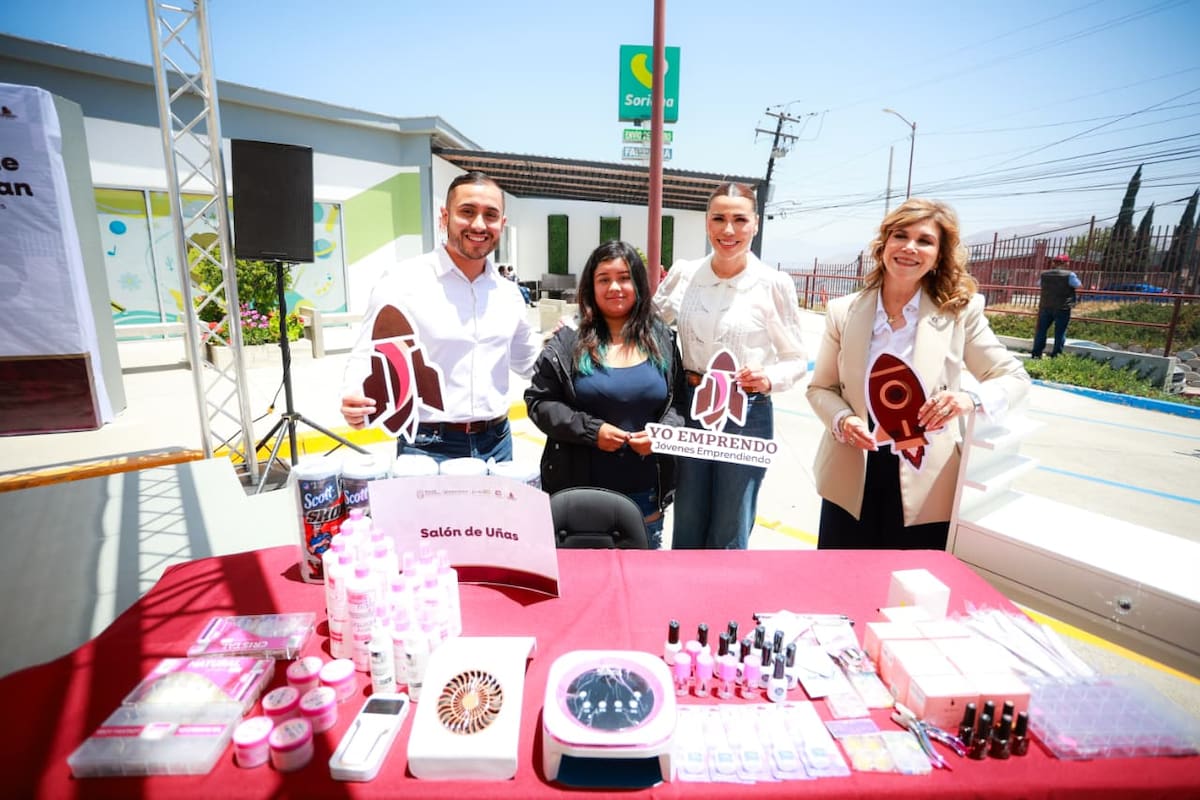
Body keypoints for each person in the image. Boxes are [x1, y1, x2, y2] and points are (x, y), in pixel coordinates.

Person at [806, 198, 1030, 550]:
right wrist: (842, 419)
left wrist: (969, 399)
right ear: (883, 245)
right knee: (842, 577)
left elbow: (1013, 377)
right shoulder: (843, 311)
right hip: (852, 474)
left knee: (910, 580)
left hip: (927, 481)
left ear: (939, 256)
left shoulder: (960, 313)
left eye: (925, 241)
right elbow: (820, 388)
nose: (910, 247)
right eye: (900, 236)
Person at [340, 171, 540, 463]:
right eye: (467, 212)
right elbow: (367, 352)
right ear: (444, 217)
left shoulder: (509, 294)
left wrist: (582, 353)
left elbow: (531, 363)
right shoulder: (402, 281)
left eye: (490, 215)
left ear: (502, 223)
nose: (479, 224)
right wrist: (356, 395)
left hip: (497, 444)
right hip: (426, 446)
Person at [653, 182, 808, 549]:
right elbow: (645, 323)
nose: (728, 230)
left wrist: (768, 377)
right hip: (691, 405)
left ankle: (724, 587)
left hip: (745, 411)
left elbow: (796, 359)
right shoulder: (686, 274)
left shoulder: (773, 283)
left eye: (740, 220)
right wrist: (579, 327)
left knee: (731, 522)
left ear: (756, 224)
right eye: (718, 218)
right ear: (707, 222)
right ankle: (684, 586)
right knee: (688, 516)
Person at [525, 241, 686, 549]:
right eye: (604, 279)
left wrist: (663, 434)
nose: (615, 287)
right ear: (591, 285)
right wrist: (591, 431)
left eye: (624, 278)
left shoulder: (662, 340)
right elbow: (539, 402)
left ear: (638, 284)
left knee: (640, 576)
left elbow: (678, 403)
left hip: (645, 494)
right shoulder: (568, 341)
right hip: (578, 494)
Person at [1031, 253, 1081, 358]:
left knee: (1041, 330)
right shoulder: (1070, 275)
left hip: (1045, 305)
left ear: (1054, 263)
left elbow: (1039, 284)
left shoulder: (1045, 274)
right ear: (1067, 263)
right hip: (1062, 307)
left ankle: (1036, 353)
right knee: (1060, 332)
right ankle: (1056, 355)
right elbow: (1078, 285)